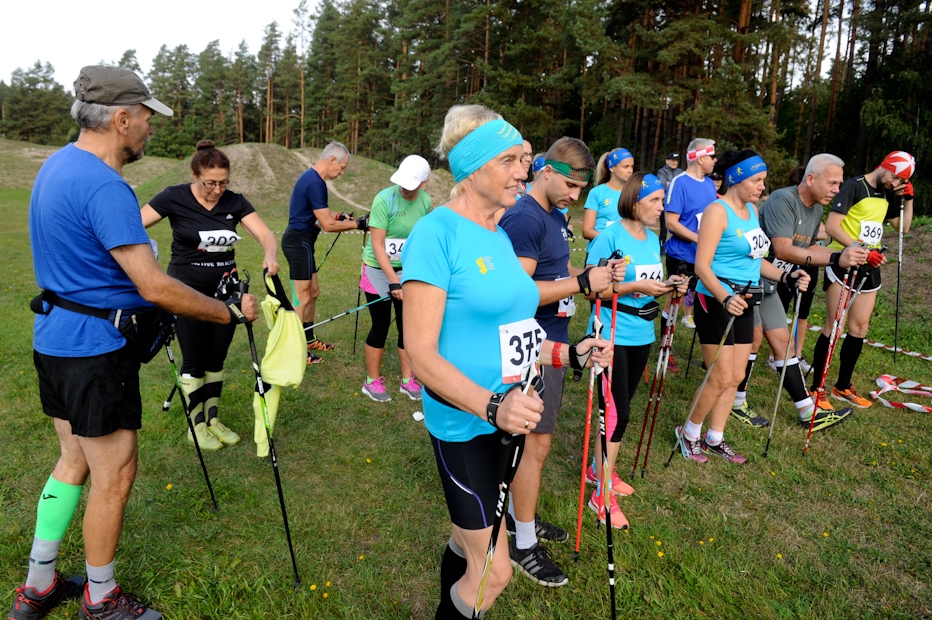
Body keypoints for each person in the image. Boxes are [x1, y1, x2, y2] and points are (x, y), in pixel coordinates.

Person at [11, 65, 258, 620]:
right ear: (121, 119)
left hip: (53, 339)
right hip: (93, 351)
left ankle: (40, 583)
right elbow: (154, 285)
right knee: (115, 473)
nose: (150, 128)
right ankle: (100, 599)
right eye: (146, 117)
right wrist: (226, 313)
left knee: (71, 458)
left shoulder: (57, 165)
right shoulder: (105, 185)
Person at [402, 104, 612, 618]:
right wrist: (491, 404)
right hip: (466, 421)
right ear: (473, 168)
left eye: (525, 158)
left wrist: (569, 352)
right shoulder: (438, 233)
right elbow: (420, 352)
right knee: (495, 571)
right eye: (512, 160)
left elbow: (510, 334)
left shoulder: (497, 233)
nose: (525, 169)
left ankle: (449, 594)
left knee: (465, 541)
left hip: (509, 416)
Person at [498, 137, 618, 587]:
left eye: (581, 189)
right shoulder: (525, 218)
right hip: (531, 346)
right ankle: (522, 541)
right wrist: (581, 281)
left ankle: (518, 518)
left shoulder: (552, 214)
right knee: (535, 444)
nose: (575, 195)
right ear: (544, 170)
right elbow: (518, 294)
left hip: (556, 338)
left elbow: (553, 275)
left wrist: (589, 279)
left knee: (534, 445)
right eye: (569, 184)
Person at [140, 141, 279, 450]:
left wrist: (270, 254)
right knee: (194, 357)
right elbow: (133, 226)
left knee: (217, 357)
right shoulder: (173, 197)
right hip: (185, 291)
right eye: (210, 183)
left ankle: (213, 419)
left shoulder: (235, 202)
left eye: (223, 183)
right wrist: (144, 264)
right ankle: (196, 425)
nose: (217, 190)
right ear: (194, 175)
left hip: (227, 292)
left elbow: (266, 234)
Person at [675, 150, 808, 465]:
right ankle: (689, 433)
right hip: (718, 299)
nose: (763, 187)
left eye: (762, 180)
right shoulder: (717, 212)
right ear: (735, 178)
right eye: (757, 180)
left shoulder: (751, 209)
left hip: (747, 300)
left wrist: (787, 275)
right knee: (719, 375)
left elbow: (757, 260)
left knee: (736, 376)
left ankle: (715, 438)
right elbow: (702, 266)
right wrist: (724, 297)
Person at [731, 153, 866, 431]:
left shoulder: (816, 207)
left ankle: (808, 413)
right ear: (811, 178)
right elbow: (782, 248)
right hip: (748, 279)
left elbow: (808, 248)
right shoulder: (784, 200)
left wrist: (845, 254)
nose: (837, 190)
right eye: (832, 183)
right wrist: (834, 259)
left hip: (772, 281)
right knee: (755, 339)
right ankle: (736, 402)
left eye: (840, 184)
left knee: (783, 341)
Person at [585, 173, 687, 527]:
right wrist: (634, 286)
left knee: (618, 409)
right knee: (617, 414)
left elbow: (648, 284)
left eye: (662, 201)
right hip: (611, 335)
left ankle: (600, 470)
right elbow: (591, 291)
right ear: (634, 200)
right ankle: (601, 494)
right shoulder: (609, 236)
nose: (662, 208)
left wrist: (669, 286)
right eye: (656, 201)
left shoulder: (652, 238)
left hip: (642, 333)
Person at [809, 151, 915, 410]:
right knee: (835, 326)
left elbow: (903, 227)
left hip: (870, 265)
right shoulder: (854, 186)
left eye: (902, 182)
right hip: (845, 262)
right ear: (884, 167)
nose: (895, 184)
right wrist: (863, 251)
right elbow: (833, 227)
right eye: (895, 178)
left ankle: (842, 386)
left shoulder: (888, 193)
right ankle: (816, 388)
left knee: (860, 327)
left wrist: (909, 199)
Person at [282, 142, 367, 364]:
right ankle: (295, 351)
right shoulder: (314, 182)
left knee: (313, 292)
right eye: (341, 167)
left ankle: (308, 339)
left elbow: (324, 214)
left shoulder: (315, 180)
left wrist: (340, 216)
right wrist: (358, 224)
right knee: (301, 298)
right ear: (331, 160)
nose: (341, 172)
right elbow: (327, 225)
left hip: (304, 243)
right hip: (298, 242)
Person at [358, 155, 432, 402]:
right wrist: (393, 281)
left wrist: (411, 275)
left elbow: (420, 240)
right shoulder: (383, 199)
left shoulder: (425, 201)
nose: (405, 188)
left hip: (406, 270)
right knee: (380, 325)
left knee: (406, 325)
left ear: (423, 182)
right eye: (402, 182)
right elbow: (378, 246)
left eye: (411, 184)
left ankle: (407, 380)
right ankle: (371, 381)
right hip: (378, 270)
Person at [662, 138, 718, 370]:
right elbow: (671, 222)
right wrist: (700, 239)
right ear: (700, 157)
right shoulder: (679, 182)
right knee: (674, 300)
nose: (715, 160)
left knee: (707, 301)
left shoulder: (709, 184)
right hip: (682, 255)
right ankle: (667, 348)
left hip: (705, 257)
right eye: (712, 156)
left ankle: (710, 355)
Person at [582, 148, 634, 251]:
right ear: (612, 168)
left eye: (632, 166)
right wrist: (611, 240)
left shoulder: (633, 194)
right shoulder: (597, 193)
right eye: (625, 167)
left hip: (625, 253)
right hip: (599, 252)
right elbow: (587, 231)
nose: (630, 171)